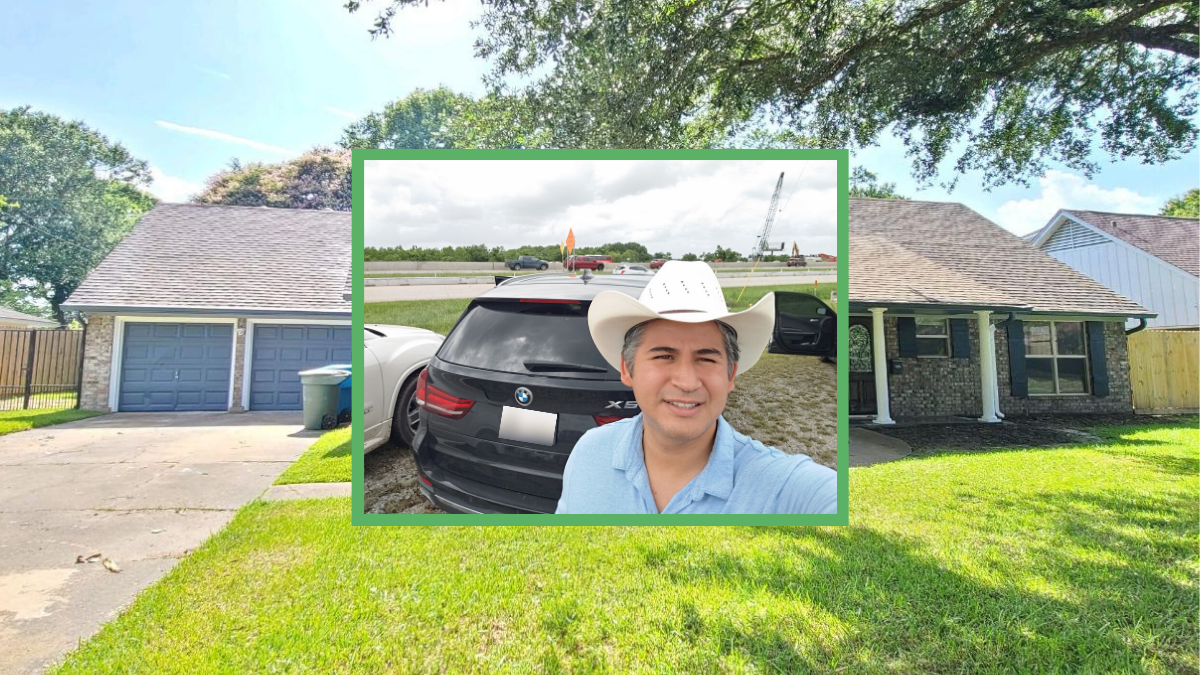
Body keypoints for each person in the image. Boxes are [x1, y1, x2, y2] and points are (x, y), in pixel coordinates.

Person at [555, 261, 837, 514]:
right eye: (664, 356)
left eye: (706, 358)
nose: (687, 382)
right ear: (628, 369)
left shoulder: (783, 488)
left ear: (730, 375)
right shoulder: (589, 453)